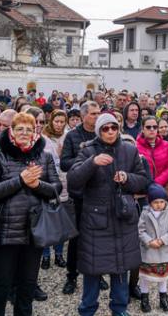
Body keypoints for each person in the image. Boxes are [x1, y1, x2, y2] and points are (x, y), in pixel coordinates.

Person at [68, 112, 150, 316]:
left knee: (121, 267)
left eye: (114, 127)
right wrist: (93, 162)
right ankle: (87, 308)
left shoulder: (130, 150)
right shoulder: (88, 150)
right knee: (92, 268)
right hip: (96, 218)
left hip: (123, 216)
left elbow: (143, 180)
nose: (111, 131)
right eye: (105, 128)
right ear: (98, 130)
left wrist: (127, 178)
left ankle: (119, 308)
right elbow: (73, 181)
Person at [0, 112, 61, 316]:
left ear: (35, 131)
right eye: (19, 129)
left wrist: (37, 185)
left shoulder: (45, 157)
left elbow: (56, 188)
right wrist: (20, 180)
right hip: (6, 231)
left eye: (29, 128)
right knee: (1, 283)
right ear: (11, 132)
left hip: (35, 230)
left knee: (27, 284)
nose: (24, 133)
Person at [59, 101, 102, 296]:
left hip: (100, 192)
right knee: (76, 238)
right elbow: (65, 163)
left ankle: (98, 273)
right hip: (79, 194)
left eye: (98, 113)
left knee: (99, 236)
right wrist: (87, 162)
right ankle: (72, 276)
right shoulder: (72, 136)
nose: (97, 116)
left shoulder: (103, 133)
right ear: (84, 115)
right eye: (93, 114)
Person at [137, 185, 168, 313]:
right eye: (155, 202)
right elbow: (140, 230)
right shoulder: (145, 212)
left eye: (161, 201)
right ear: (150, 202)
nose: (159, 205)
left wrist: (162, 240)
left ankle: (163, 297)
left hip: (163, 249)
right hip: (149, 249)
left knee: (162, 276)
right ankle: (144, 297)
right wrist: (149, 241)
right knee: (145, 276)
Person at [41, 110, 70, 269]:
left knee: (61, 221)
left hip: (64, 180)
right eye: (56, 121)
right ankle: (45, 255)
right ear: (51, 121)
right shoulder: (44, 137)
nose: (59, 125)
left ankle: (59, 254)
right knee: (47, 220)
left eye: (62, 122)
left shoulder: (68, 136)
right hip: (49, 180)